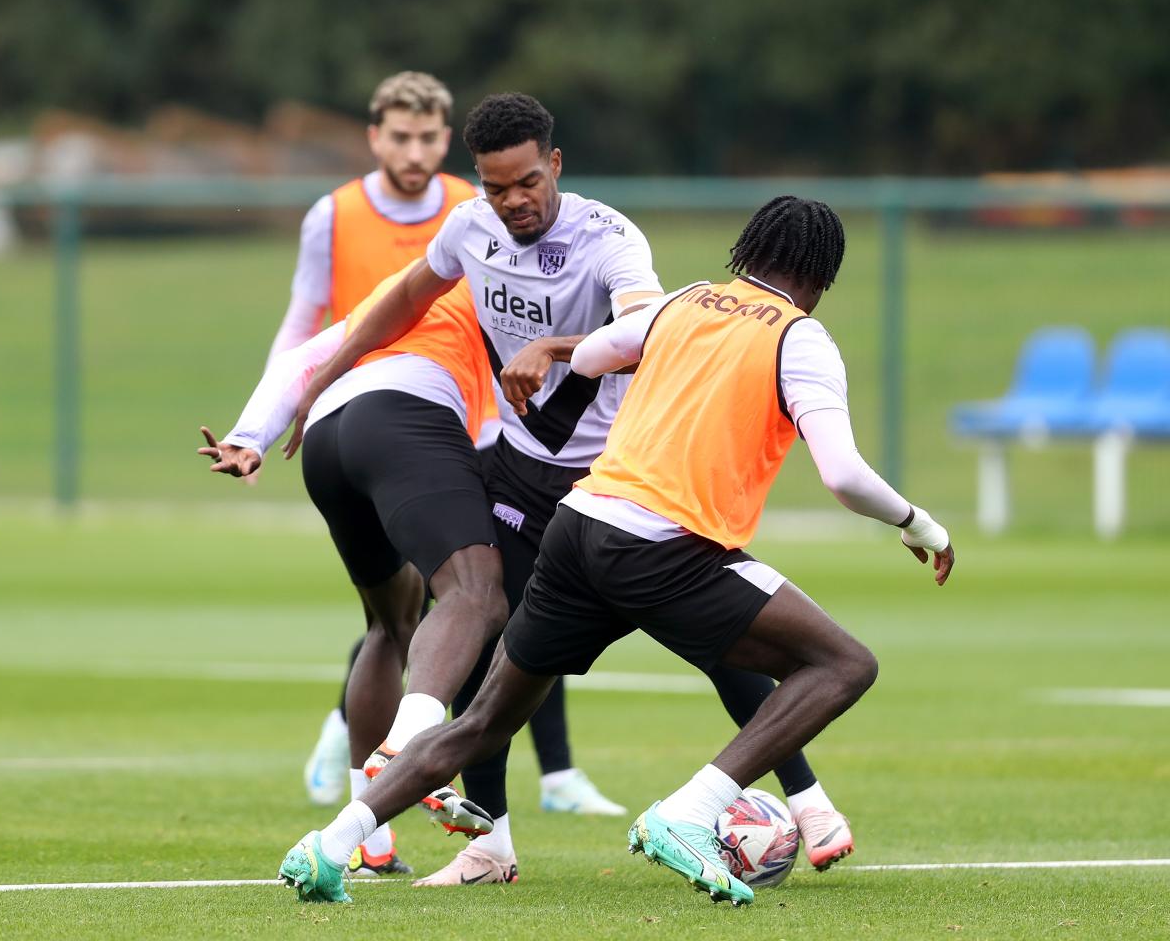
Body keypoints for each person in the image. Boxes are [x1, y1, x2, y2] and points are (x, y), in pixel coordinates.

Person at [276, 195, 955, 906]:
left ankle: (328, 844)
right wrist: (918, 523)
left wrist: (550, 348)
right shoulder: (802, 338)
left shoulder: (686, 301)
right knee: (845, 664)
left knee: (483, 720)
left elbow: (598, 354)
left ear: (745, 251)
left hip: (577, 525)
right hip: (666, 545)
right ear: (824, 274)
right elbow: (843, 473)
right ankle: (688, 814)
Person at [266, 72, 618, 828]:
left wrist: (290, 406)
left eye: (527, 181)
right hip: (416, 424)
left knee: (404, 621)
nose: (514, 199)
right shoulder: (372, 217)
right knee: (483, 599)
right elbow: (354, 311)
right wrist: (293, 395)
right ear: (374, 137)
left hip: (355, 427)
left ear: (554, 165)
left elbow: (650, 330)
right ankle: (411, 745)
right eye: (499, 189)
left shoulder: (542, 221)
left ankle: (376, 812)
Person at [201, 269, 506, 879]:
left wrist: (248, 435)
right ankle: (408, 746)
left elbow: (303, 358)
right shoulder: (509, 289)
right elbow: (510, 422)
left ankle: (372, 841)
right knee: (475, 594)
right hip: (404, 421)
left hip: (328, 437)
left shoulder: (405, 289)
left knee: (388, 625)